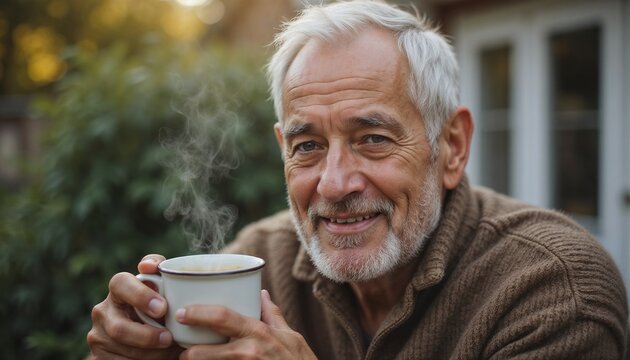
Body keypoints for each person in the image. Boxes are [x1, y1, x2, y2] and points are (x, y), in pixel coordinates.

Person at [87, 1, 629, 359]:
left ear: (451, 147)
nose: (333, 184)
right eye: (308, 147)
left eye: (373, 139)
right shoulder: (260, 261)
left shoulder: (554, 288)